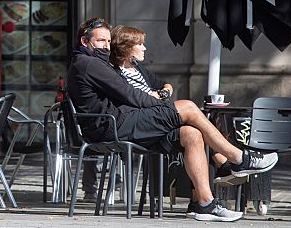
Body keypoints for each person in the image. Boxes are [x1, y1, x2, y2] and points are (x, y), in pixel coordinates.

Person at [66, 17, 279, 222]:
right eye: (100, 40)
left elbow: (141, 91)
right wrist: (166, 105)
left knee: (191, 134)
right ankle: (239, 159)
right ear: (85, 41)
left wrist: (163, 101)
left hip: (121, 123)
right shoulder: (88, 64)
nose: (106, 46)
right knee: (187, 106)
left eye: (108, 41)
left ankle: (204, 203)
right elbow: (131, 95)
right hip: (113, 127)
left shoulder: (94, 63)